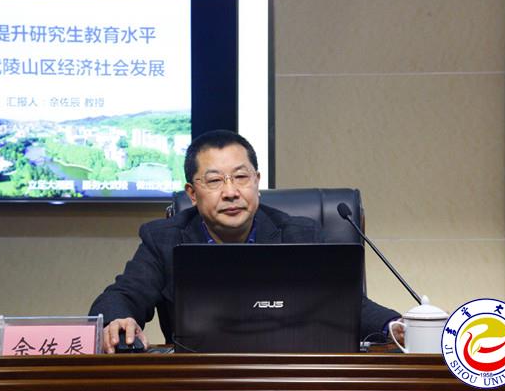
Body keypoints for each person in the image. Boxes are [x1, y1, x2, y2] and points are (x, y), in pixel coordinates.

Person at [89, 130, 402, 352]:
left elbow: (347, 305)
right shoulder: (164, 239)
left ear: (257, 182)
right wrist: (118, 319)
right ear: (192, 194)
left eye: (241, 177)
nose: (230, 192)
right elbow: (121, 296)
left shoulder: (299, 235)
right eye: (214, 180)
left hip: (289, 378)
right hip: (198, 380)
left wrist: (395, 325)